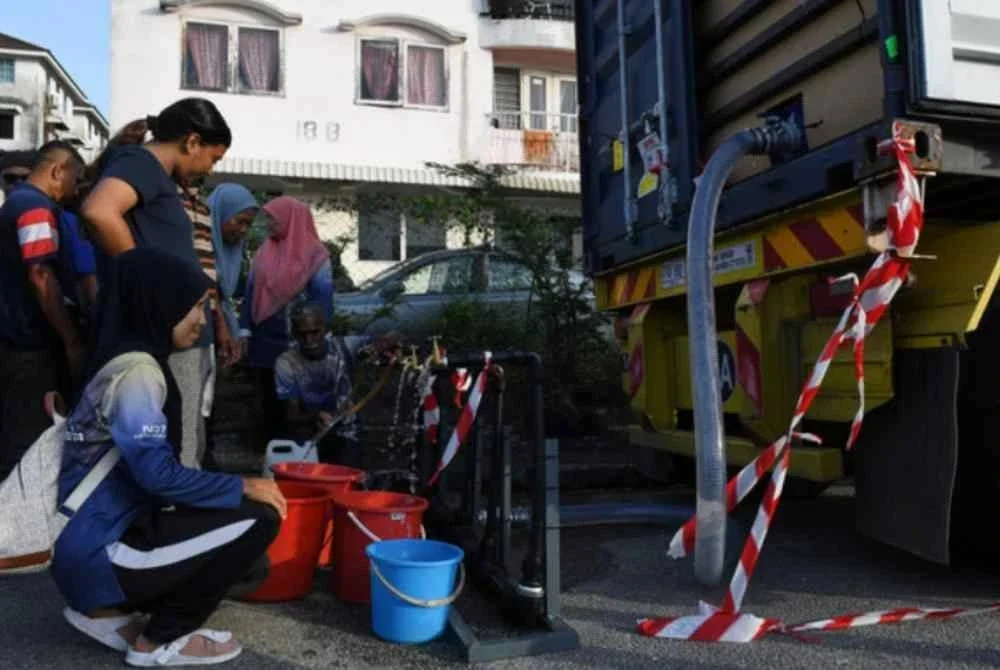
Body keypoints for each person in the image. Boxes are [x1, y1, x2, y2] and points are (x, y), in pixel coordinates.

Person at [53, 247, 286, 667]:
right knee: (258, 517)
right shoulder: (138, 374)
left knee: (225, 524)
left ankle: (104, 611)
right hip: (101, 553)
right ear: (158, 303)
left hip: (81, 549)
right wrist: (244, 484)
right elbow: (158, 477)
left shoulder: (114, 359)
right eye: (194, 306)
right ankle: (159, 640)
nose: (202, 320)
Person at [80, 97, 234, 470]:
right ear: (192, 142)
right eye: (213, 158)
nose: (210, 170)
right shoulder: (141, 163)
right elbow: (99, 211)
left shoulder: (155, 175)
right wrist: (147, 280)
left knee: (181, 437)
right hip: (168, 329)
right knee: (175, 448)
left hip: (178, 329)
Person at [0, 141, 86, 481]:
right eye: (75, 180)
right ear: (57, 171)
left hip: (17, 339)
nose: (75, 191)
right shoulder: (34, 208)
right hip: (29, 343)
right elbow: (40, 274)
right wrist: (71, 339)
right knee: (27, 439)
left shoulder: (18, 203)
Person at [238, 196, 333, 451]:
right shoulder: (264, 252)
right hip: (264, 339)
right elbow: (250, 293)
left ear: (290, 219)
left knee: (296, 403)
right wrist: (244, 329)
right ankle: (271, 455)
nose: (268, 224)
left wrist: (316, 342)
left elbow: (322, 303)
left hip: (297, 342)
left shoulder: (316, 256)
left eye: (273, 218)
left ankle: (299, 456)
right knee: (267, 400)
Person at [275, 302, 401, 468]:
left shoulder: (345, 347)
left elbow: (392, 337)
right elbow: (291, 415)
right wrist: (315, 417)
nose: (309, 340)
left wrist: (386, 345)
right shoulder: (286, 362)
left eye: (315, 332)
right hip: (310, 436)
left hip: (348, 433)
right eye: (302, 334)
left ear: (325, 329)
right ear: (294, 334)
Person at [205, 182, 258, 353]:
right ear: (221, 213)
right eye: (240, 221)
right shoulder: (199, 244)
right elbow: (208, 290)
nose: (243, 230)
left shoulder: (233, 252)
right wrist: (222, 326)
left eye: (248, 225)